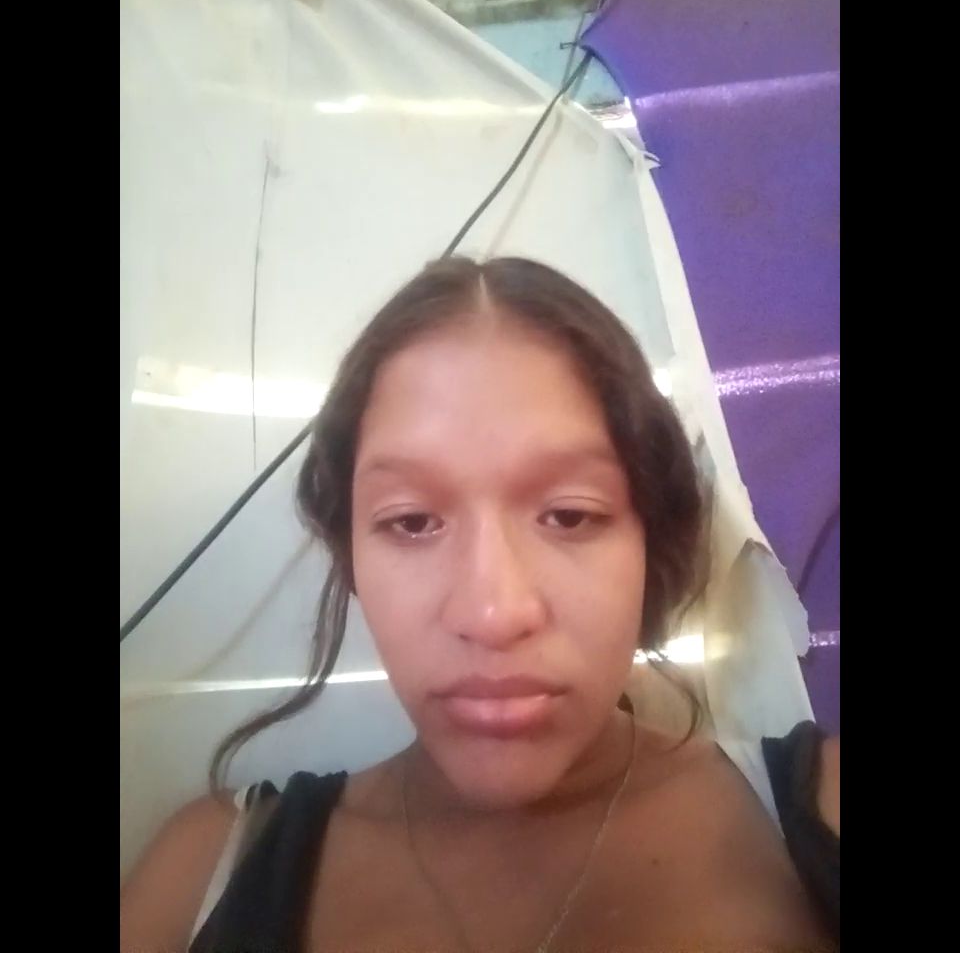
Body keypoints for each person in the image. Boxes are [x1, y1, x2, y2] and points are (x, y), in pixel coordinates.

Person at [121, 256, 839, 953]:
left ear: (650, 539)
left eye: (569, 515)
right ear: (351, 557)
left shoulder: (823, 810)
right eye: (411, 521)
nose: (492, 615)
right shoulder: (197, 880)